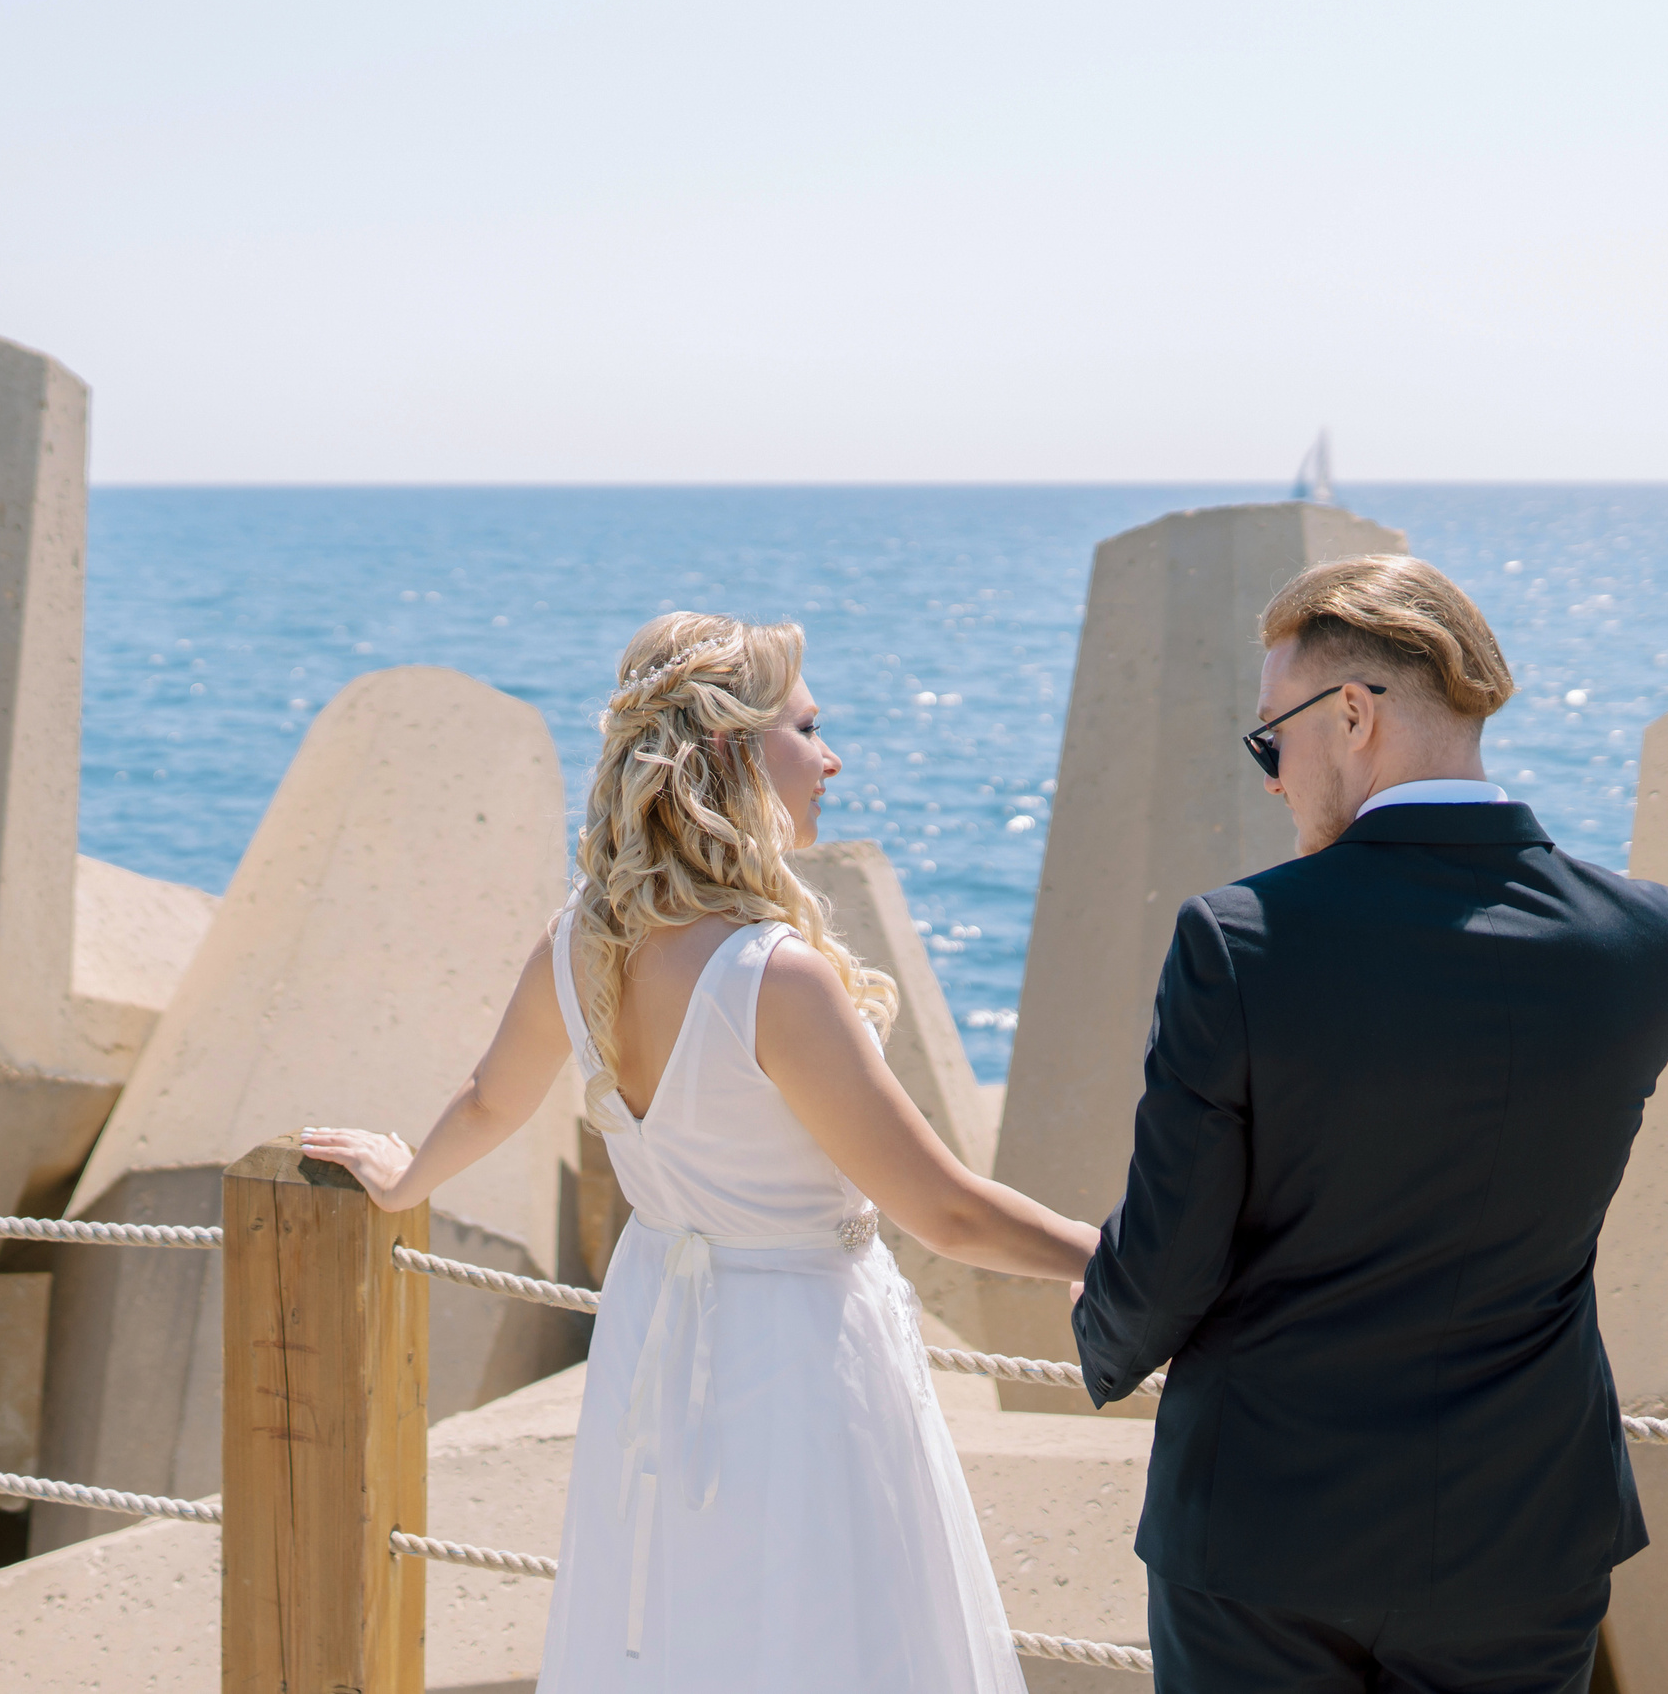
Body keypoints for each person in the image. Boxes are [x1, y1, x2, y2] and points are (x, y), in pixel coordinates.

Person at [302, 612, 1097, 1692]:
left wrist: (405, 1181)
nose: (830, 757)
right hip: (803, 1347)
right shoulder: (774, 978)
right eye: (807, 729)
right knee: (829, 1638)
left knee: (687, 1631)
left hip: (658, 1336)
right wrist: (1106, 1257)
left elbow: (490, 1101)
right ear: (730, 752)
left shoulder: (578, 942)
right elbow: (945, 1211)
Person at [1071, 556, 1668, 1694]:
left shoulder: (1238, 942)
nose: (1270, 777)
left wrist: (1099, 1339)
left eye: (1271, 739)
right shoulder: (1657, 943)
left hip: (1261, 1538)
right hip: (1523, 1533)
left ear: (1353, 715)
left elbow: (1165, 1265)